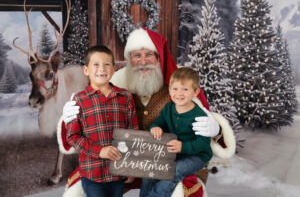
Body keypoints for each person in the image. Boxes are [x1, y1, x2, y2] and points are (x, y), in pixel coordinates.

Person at [59, 28, 235, 197]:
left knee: (179, 190)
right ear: (129, 59)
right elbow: (80, 127)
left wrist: (216, 129)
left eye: (149, 55)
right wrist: (68, 119)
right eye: (137, 55)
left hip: (167, 161)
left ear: (159, 57)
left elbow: (201, 114)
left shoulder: (177, 86)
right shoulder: (115, 82)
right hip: (116, 161)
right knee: (78, 188)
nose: (143, 61)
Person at [65, 45, 139, 197]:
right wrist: (100, 151)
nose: (102, 69)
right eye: (96, 64)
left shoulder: (125, 97)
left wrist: (131, 167)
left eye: (107, 64)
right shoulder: (79, 100)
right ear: (86, 70)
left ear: (113, 70)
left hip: (118, 171)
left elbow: (133, 133)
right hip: (93, 173)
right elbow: (73, 137)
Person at [140, 67, 213, 197]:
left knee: (172, 171)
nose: (179, 93)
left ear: (195, 92)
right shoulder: (168, 108)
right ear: (169, 90)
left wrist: (183, 146)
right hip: (173, 154)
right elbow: (159, 123)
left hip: (196, 156)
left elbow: (203, 143)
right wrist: (155, 127)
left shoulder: (199, 116)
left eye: (185, 89)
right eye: (175, 89)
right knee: (150, 170)